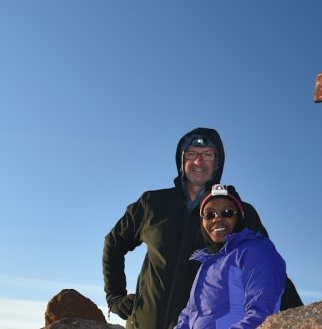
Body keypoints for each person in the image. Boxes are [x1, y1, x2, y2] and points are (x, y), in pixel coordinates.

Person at [102, 127, 301, 329]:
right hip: (144, 323)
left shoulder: (237, 212)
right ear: (181, 161)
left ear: (217, 163)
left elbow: (269, 267)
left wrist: (299, 315)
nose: (199, 162)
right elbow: (113, 243)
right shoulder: (152, 203)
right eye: (191, 154)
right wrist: (115, 296)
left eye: (207, 155)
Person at [175, 184, 285, 329]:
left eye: (227, 212)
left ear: (239, 217)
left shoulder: (255, 251)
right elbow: (188, 316)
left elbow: (262, 315)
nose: (217, 219)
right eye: (209, 214)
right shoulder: (205, 264)